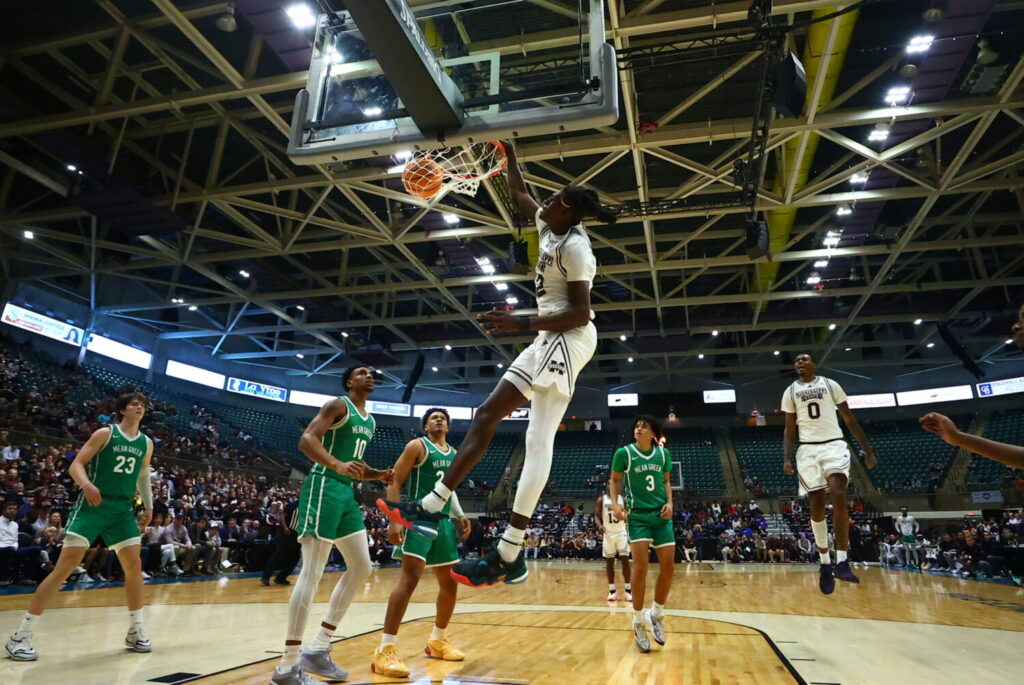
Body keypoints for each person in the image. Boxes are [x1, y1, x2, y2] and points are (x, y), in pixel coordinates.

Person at [378, 139, 618, 587]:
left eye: (555, 200)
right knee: (498, 420)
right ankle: (458, 521)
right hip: (549, 337)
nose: (546, 202)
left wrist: (522, 323)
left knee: (528, 433)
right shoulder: (547, 221)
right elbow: (520, 194)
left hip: (569, 336)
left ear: (568, 212)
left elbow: (582, 312)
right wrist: (510, 155)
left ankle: (488, 537)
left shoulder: (576, 249)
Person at [5, 393, 154, 661]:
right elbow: (76, 465)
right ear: (122, 409)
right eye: (134, 403)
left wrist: (148, 506)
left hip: (122, 509)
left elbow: (143, 476)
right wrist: (86, 485)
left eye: (142, 404)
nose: (139, 407)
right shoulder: (105, 434)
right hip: (92, 505)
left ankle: (136, 629)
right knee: (65, 568)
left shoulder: (146, 443)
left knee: (134, 567)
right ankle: (20, 636)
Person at [271, 366, 394, 685]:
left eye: (371, 374)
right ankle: (286, 667)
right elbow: (306, 440)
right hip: (323, 485)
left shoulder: (370, 420)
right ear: (349, 382)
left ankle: (318, 648)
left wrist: (378, 474)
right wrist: (337, 464)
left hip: (346, 493)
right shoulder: (338, 405)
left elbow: (356, 466)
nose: (369, 376)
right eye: (362, 373)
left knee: (362, 567)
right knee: (312, 572)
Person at [373, 408, 470, 678]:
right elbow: (395, 480)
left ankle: (437, 641)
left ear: (448, 427)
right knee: (409, 580)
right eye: (433, 418)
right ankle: (385, 650)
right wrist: (395, 519)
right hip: (417, 519)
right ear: (426, 426)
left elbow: (449, 490)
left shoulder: (454, 454)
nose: (439, 420)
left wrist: (459, 515)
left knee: (450, 583)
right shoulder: (417, 446)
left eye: (443, 418)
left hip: (443, 522)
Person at [782, 353, 877, 594]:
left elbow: (849, 418)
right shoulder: (790, 391)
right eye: (797, 360)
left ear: (814, 364)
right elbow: (789, 428)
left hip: (833, 445)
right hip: (807, 449)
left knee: (838, 494)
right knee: (816, 505)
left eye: (804, 359)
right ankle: (825, 562)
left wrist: (867, 450)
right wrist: (787, 457)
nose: (800, 362)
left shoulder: (830, 384)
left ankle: (842, 561)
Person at [609, 416, 675, 654]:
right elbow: (614, 480)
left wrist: (670, 502)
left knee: (668, 566)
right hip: (637, 516)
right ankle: (637, 621)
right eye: (637, 426)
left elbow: (666, 482)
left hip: (661, 516)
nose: (638, 429)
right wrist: (616, 504)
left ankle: (656, 614)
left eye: (644, 426)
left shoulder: (663, 454)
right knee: (641, 567)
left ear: (653, 433)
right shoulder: (624, 453)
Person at [595, 486, 632, 602]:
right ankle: (612, 591)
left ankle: (628, 591)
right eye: (609, 484)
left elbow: (628, 514)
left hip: (621, 533)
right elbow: (596, 515)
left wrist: (626, 517)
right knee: (609, 563)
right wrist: (599, 526)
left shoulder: (622, 499)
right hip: (608, 534)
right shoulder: (601, 500)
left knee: (625, 561)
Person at [262, 497, 299, 586]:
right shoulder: (294, 505)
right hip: (287, 532)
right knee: (278, 554)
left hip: (298, 534)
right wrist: (285, 527)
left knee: (295, 558)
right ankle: (265, 577)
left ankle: (281, 577)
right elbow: (282, 514)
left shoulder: (309, 507)